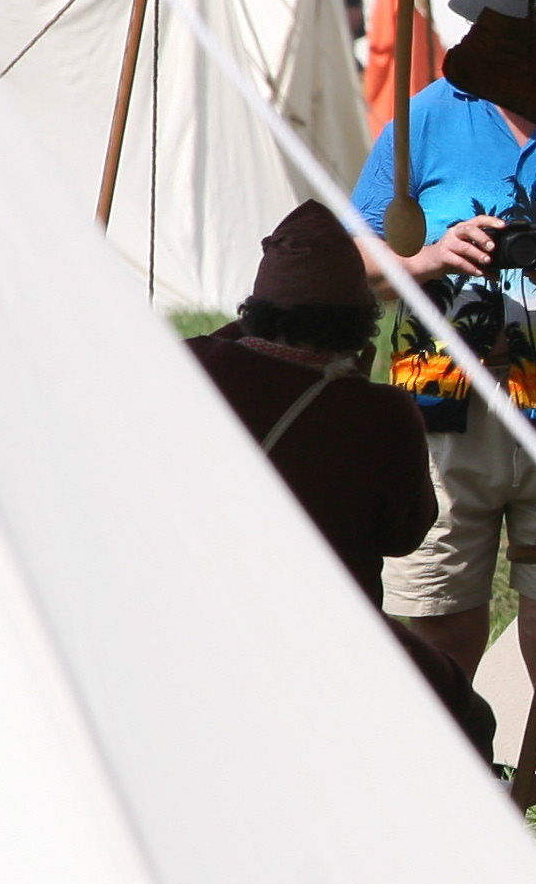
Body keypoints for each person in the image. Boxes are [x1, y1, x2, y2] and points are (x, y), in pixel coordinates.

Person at [355, 0, 536, 711]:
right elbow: (355, 256)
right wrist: (432, 257)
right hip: (444, 416)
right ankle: (456, 776)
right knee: (439, 632)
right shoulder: (426, 119)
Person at [185, 201, 436, 604]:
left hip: (208, 606)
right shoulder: (384, 414)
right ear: (361, 322)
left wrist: (261, 319)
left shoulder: (191, 365)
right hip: (332, 623)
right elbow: (403, 536)